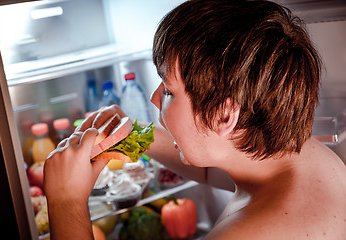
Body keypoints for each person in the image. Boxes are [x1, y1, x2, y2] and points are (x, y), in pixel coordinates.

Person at [44, 0, 346, 239]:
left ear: (224, 114)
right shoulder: (293, 153)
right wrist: (131, 133)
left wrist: (65, 203)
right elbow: (206, 171)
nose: (154, 98)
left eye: (170, 92)